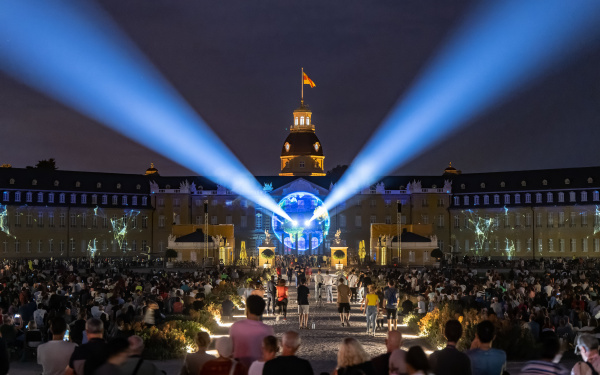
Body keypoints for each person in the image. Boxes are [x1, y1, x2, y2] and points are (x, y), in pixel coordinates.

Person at [229, 295, 275, 368]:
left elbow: (230, 350)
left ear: (248, 309)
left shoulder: (235, 327)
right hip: (259, 369)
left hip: (239, 369)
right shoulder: (267, 330)